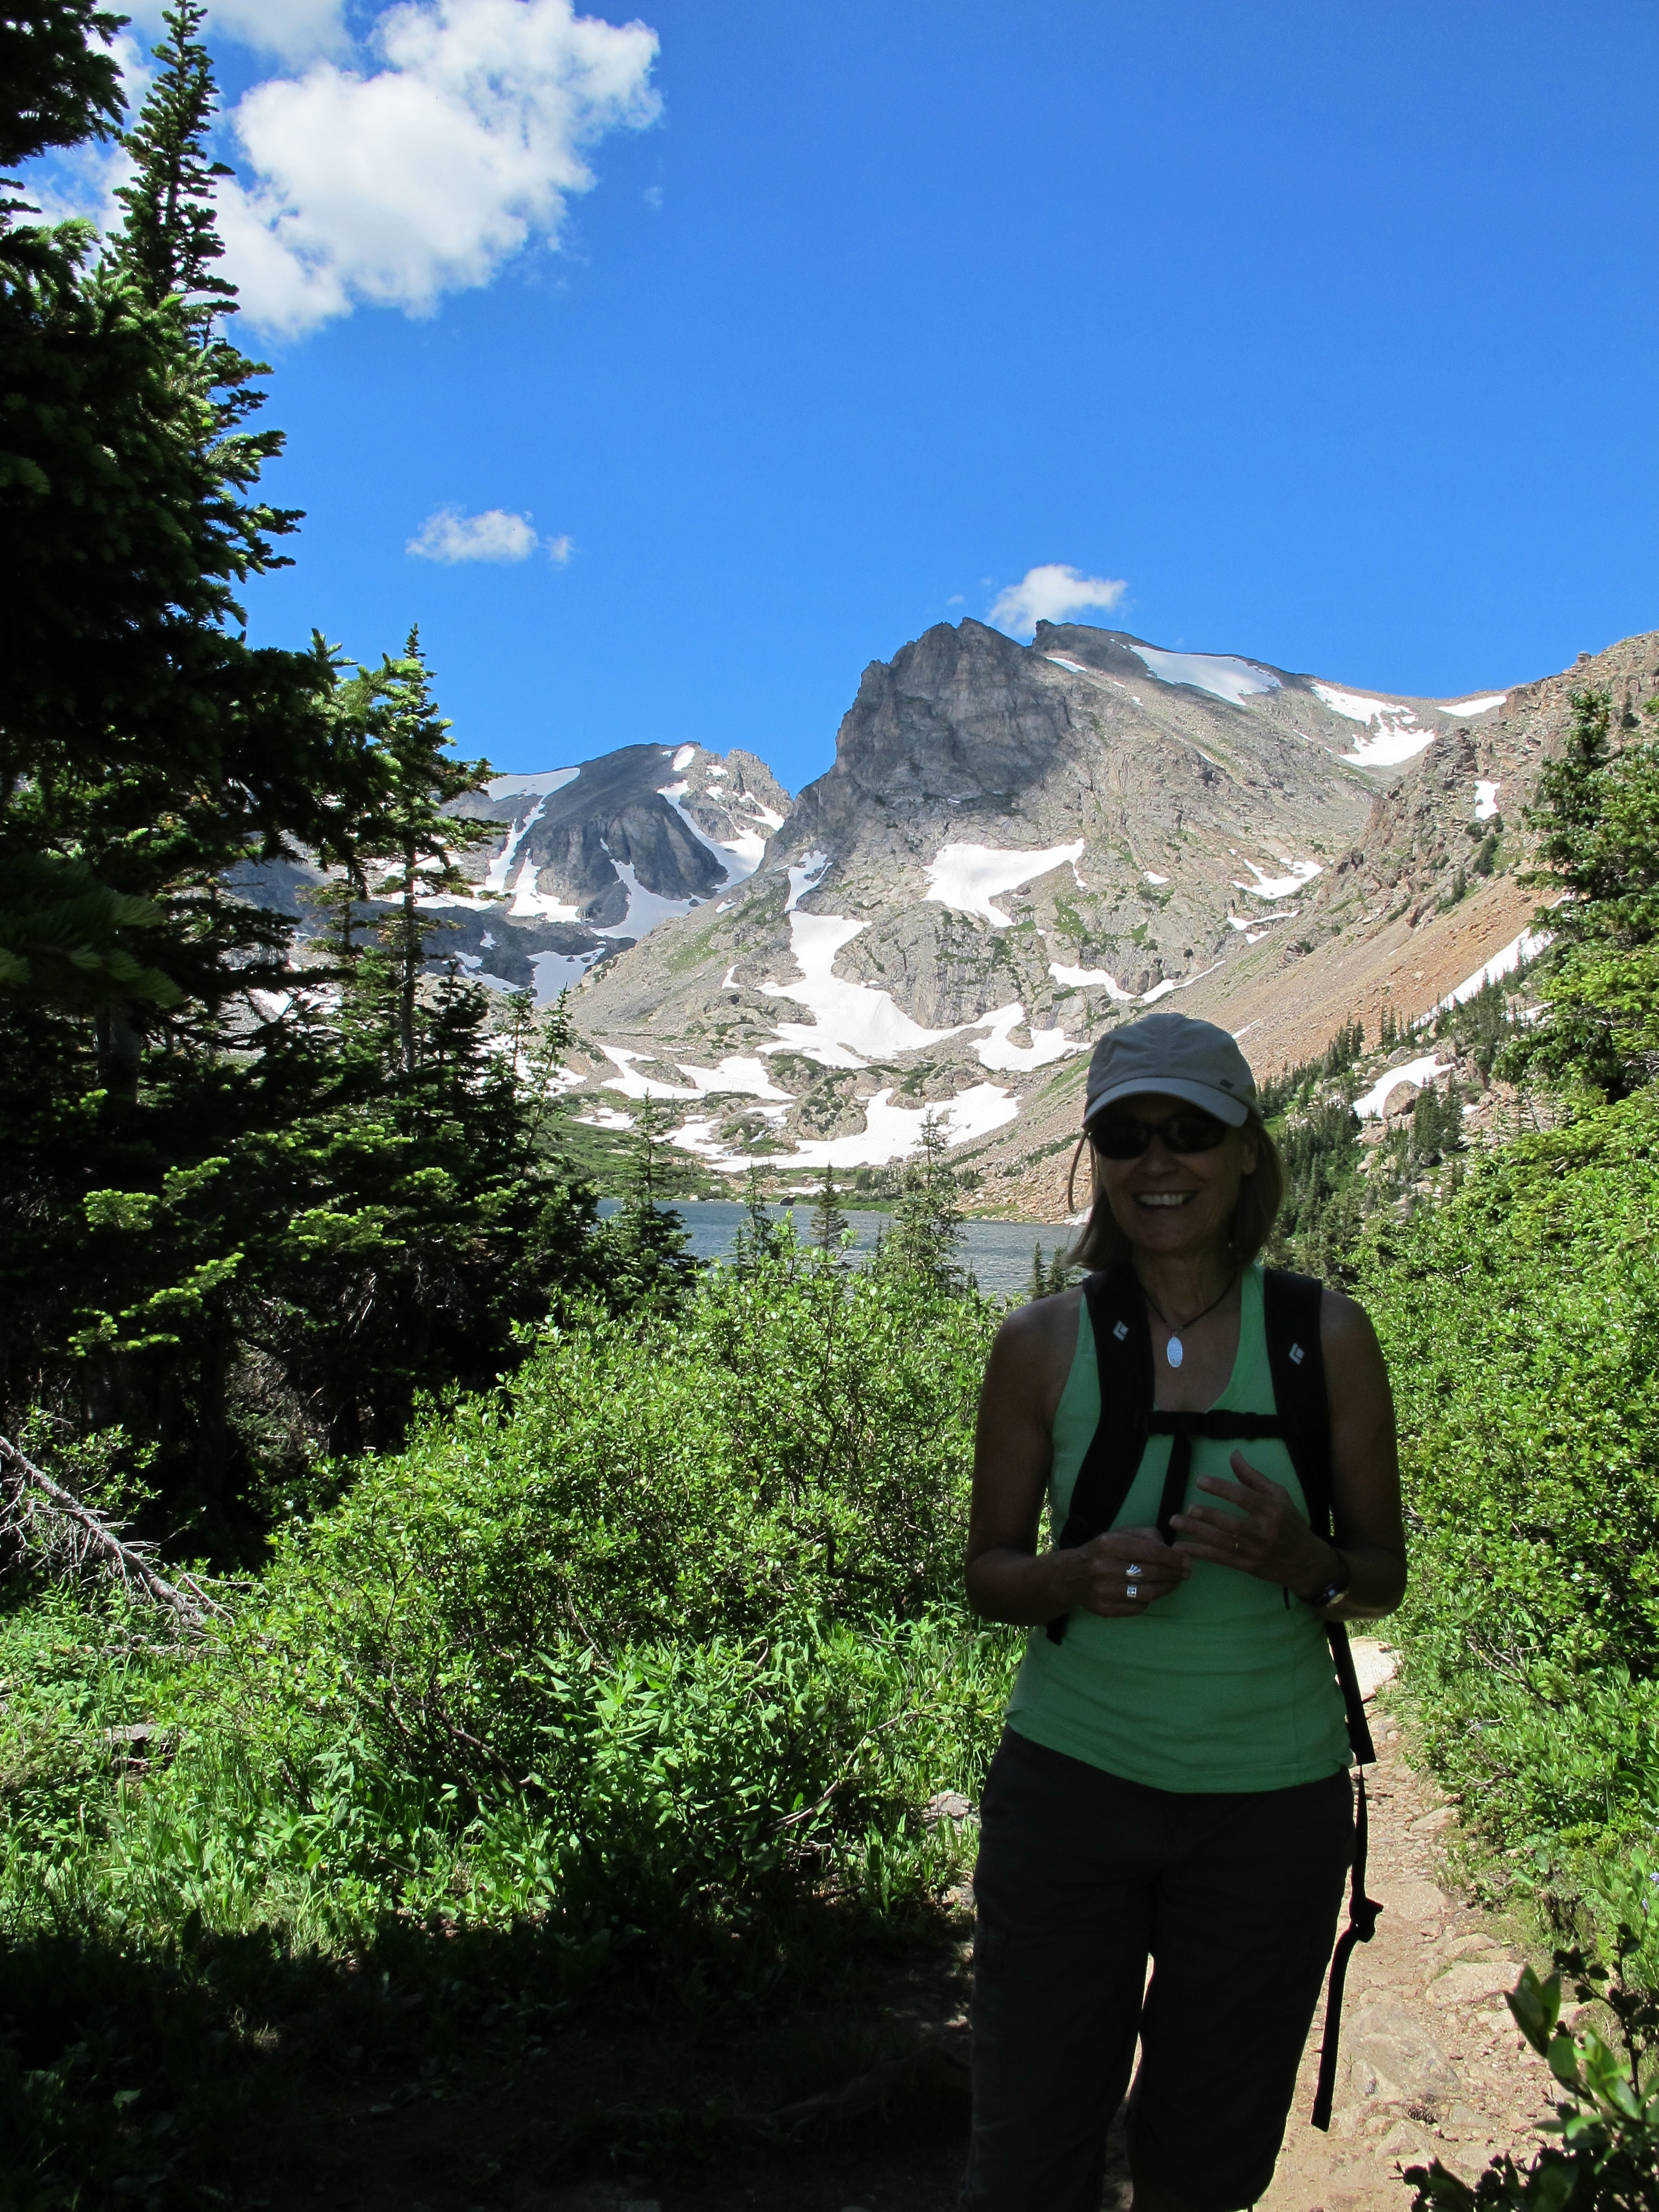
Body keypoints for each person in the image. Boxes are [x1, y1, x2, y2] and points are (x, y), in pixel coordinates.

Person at [960, 1010, 1406, 2212]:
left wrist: (1303, 1559)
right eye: (1125, 1137)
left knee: (1204, 2167)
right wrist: (1073, 1576)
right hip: (1070, 1791)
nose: (1158, 1163)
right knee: (1029, 2155)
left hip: (1273, 1809)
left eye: (1190, 1132)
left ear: (1248, 1149)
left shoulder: (1326, 1339)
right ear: (1097, 1161)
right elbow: (989, 1573)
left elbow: (1379, 1576)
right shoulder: (1040, 1344)